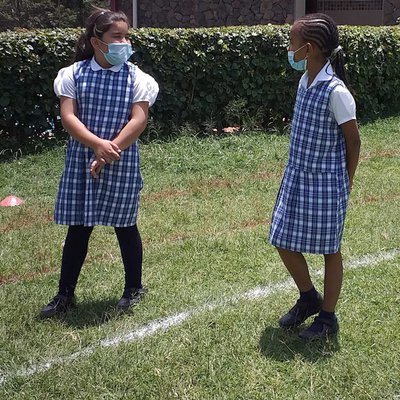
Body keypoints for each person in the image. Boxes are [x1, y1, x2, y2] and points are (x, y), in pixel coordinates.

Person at [40, 8, 159, 318]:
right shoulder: (72, 74)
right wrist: (96, 145)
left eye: (126, 36)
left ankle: (134, 288)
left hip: (121, 159)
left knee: (125, 225)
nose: (125, 42)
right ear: (97, 42)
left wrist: (110, 149)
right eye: (116, 37)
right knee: (79, 227)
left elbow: (139, 120)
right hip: (82, 158)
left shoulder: (139, 78)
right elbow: (68, 117)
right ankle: (65, 293)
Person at [269, 13, 361, 340]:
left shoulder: (336, 91)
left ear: (308, 50)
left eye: (292, 43)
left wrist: (346, 181)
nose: (288, 48)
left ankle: (328, 317)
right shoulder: (304, 81)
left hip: (325, 183)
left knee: (329, 248)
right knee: (281, 237)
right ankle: (309, 297)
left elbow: (353, 140)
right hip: (297, 176)